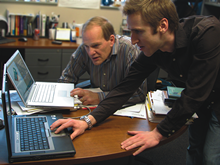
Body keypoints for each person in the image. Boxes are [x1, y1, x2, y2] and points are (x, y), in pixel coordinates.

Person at [51, 0, 220, 164]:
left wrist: (158, 133)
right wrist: (87, 121)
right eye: (130, 31)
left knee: (211, 158)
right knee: (195, 148)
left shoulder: (207, 33)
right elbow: (125, 88)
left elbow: (194, 94)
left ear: (162, 26)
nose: (132, 40)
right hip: (200, 103)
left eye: (138, 31)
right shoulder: (153, 50)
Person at [58, 16, 147, 105]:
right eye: (86, 46)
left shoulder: (129, 49)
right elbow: (66, 79)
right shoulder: (84, 49)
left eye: (96, 45)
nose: (90, 52)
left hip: (125, 110)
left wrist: (99, 97)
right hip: (95, 108)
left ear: (111, 40)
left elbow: (138, 93)